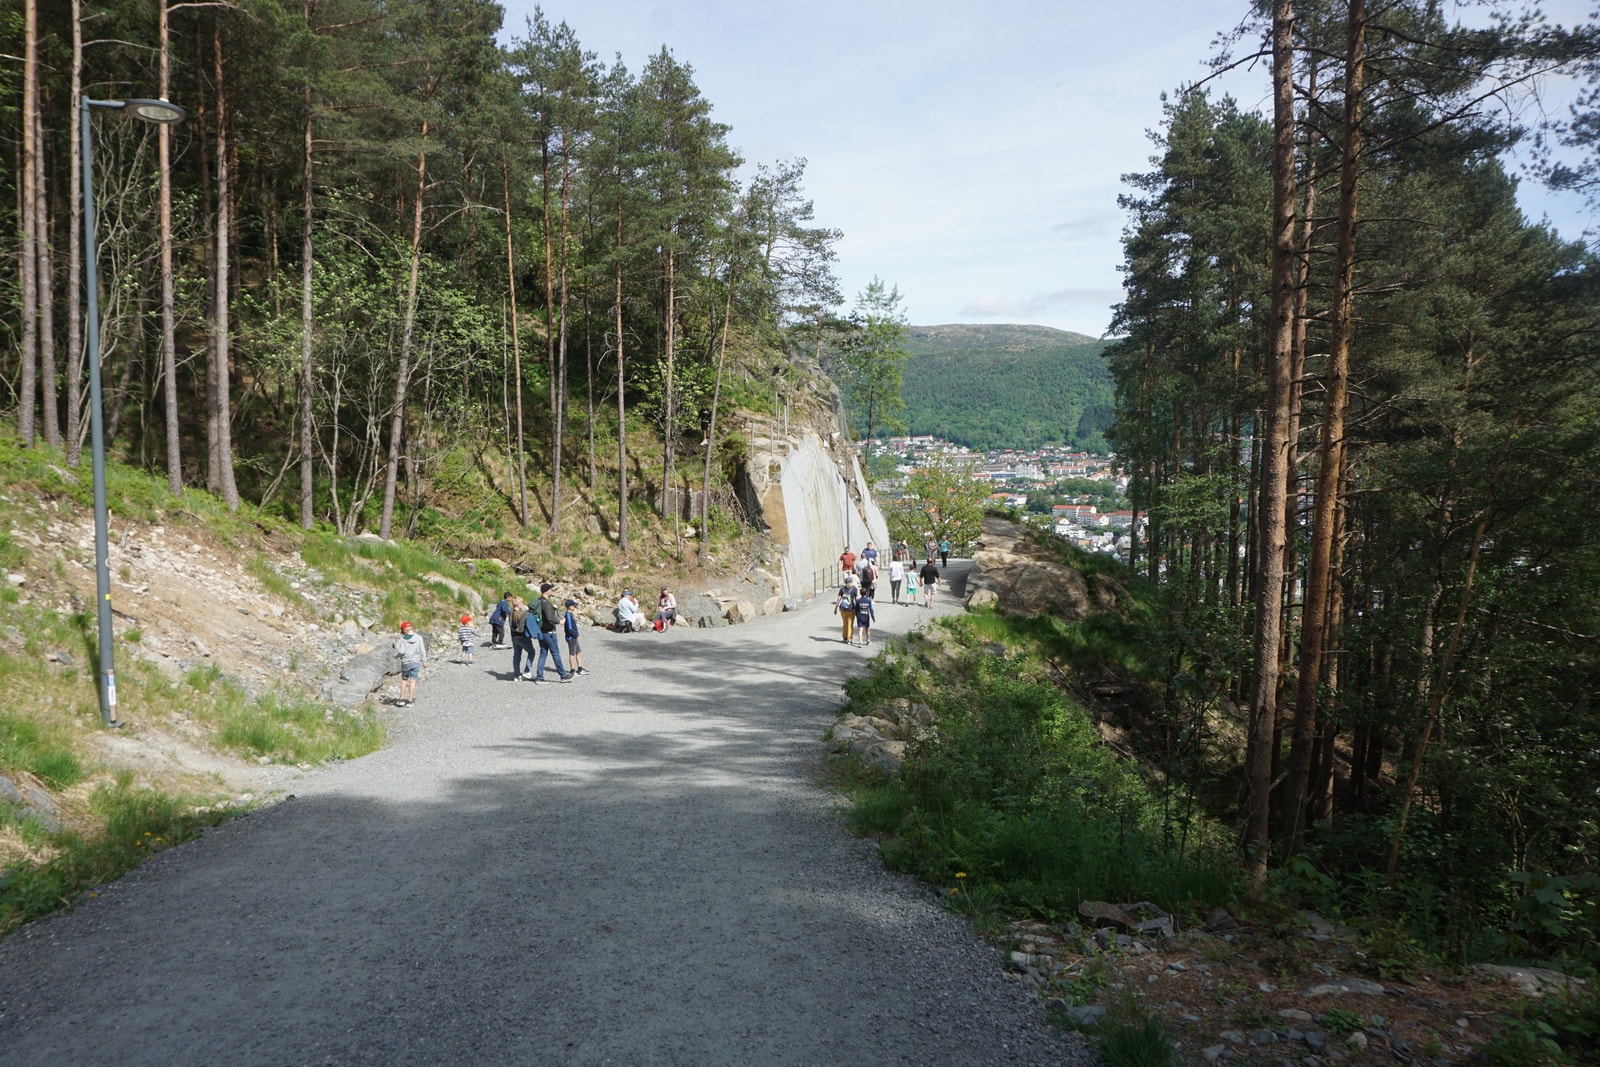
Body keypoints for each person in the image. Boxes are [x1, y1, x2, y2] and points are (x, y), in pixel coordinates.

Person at [533, 582, 574, 683]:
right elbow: (550, 617)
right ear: (547, 591)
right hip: (549, 632)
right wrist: (560, 621)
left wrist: (552, 608)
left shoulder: (539, 601)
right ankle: (563, 675)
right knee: (555, 653)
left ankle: (539, 676)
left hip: (541, 631)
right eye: (550, 589)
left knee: (543, 653)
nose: (551, 591)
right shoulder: (546, 603)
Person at [391, 621, 427, 706]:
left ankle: (401, 699)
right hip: (415, 662)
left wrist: (396, 656)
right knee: (413, 680)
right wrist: (424, 661)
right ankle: (410, 701)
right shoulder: (419, 637)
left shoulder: (403, 639)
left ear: (404, 630)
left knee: (404, 680)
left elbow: (402, 651)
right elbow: (422, 650)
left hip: (406, 662)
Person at [508, 597, 536, 679]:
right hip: (522, 637)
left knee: (517, 655)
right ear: (519, 605)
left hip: (514, 637)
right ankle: (527, 671)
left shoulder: (510, 613)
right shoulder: (522, 614)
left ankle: (516, 675)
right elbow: (521, 627)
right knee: (532, 652)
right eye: (522, 603)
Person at [563, 599, 590, 676]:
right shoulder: (568, 615)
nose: (574, 606)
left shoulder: (570, 614)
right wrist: (575, 634)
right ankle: (572, 670)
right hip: (571, 637)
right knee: (572, 653)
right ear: (569, 607)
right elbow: (570, 628)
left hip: (573, 637)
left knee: (578, 651)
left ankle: (580, 668)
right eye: (573, 605)